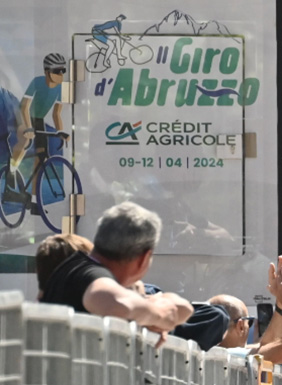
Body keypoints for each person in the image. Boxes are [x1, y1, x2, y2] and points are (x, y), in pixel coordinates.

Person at [39, 201, 193, 336]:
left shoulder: (78, 269)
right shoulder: (90, 274)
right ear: (144, 258)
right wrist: (158, 315)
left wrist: (147, 308)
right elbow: (114, 302)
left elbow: (185, 309)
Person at [10, 53, 69, 191]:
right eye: (57, 71)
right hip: (23, 115)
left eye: (63, 70)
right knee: (25, 141)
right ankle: (12, 170)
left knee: (41, 155)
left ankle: (36, 199)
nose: (60, 74)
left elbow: (56, 113)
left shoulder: (62, 88)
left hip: (39, 119)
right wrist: (28, 128)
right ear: (47, 72)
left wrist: (60, 131)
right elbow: (24, 106)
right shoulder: (37, 82)